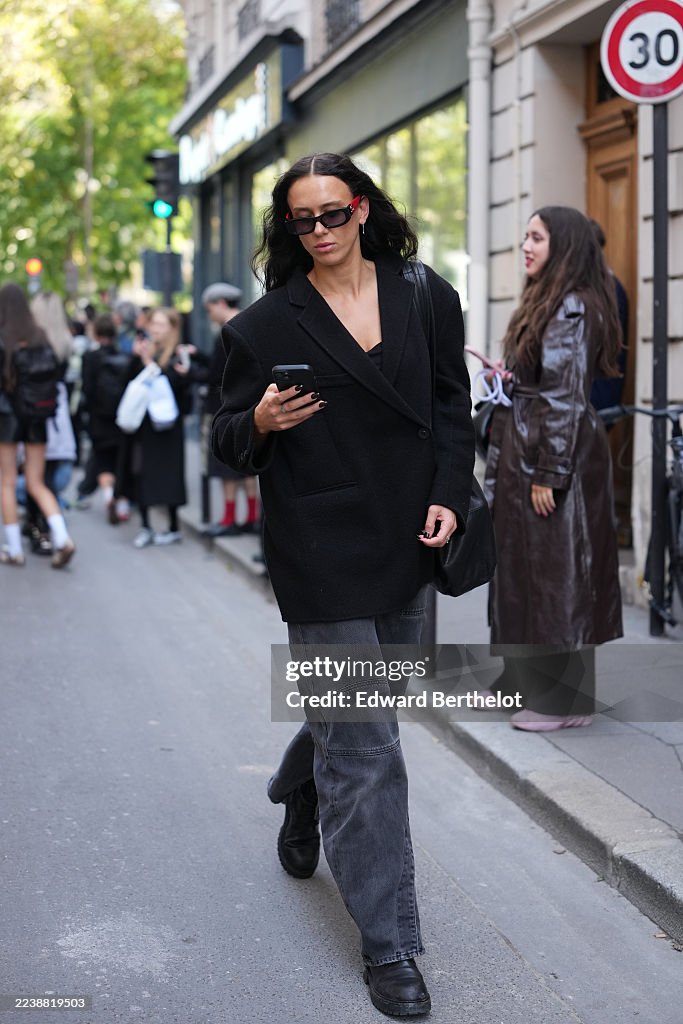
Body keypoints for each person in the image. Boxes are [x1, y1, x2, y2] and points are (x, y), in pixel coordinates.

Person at [212, 152, 474, 1017]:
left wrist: (446, 499)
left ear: (362, 208)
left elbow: (448, 409)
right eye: (302, 220)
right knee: (367, 751)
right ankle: (391, 946)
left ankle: (297, 784)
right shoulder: (262, 326)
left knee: (367, 714)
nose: (320, 231)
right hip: (318, 550)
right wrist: (255, 419)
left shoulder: (424, 292)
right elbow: (222, 439)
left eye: (333, 212)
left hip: (408, 537)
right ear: (287, 229)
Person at [484, 206, 623, 731]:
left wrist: (551, 472)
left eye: (536, 237)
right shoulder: (549, 299)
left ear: (562, 245)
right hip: (531, 448)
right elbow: (545, 381)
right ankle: (528, 680)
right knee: (526, 572)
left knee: (557, 576)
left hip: (549, 454)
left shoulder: (571, 306)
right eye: (525, 235)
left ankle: (567, 701)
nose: (526, 245)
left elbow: (565, 396)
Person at [0, 283, 75, 568]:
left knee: (7, 482)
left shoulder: (3, 338)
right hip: (36, 416)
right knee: (36, 482)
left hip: (7, 416)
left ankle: (14, 549)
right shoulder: (39, 335)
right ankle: (62, 537)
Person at [200, 282, 260, 537]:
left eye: (209, 308)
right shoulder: (249, 326)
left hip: (224, 408)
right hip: (248, 406)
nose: (209, 314)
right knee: (245, 468)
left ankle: (228, 519)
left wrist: (191, 372)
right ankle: (251, 517)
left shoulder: (226, 331)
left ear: (220, 303)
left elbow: (215, 375)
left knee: (225, 468)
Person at [129, 307, 192, 548]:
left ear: (173, 328)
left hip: (169, 427)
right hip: (145, 426)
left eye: (160, 324)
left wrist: (148, 362)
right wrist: (139, 359)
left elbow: (179, 389)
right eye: (153, 323)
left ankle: (173, 526)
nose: (154, 329)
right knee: (142, 471)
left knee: (170, 474)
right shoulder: (146, 351)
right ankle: (145, 526)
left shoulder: (178, 355)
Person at [81, 313, 132, 524]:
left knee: (103, 461)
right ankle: (122, 505)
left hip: (98, 419)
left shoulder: (90, 358)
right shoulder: (125, 358)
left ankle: (109, 496)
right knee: (121, 461)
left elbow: (87, 389)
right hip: (121, 420)